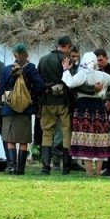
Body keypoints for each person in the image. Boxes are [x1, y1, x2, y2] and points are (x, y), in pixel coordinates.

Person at [0, 43, 45, 175]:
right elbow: (40, 86)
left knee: (10, 139)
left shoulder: (7, 70)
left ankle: (12, 167)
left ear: (14, 55)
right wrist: (30, 96)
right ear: (26, 54)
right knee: (23, 140)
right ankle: (21, 169)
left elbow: (1, 89)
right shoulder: (31, 68)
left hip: (9, 109)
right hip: (26, 109)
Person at [37, 36, 72, 175]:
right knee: (66, 132)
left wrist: (46, 89)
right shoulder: (67, 60)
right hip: (64, 102)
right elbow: (72, 82)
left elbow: (38, 81)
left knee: (47, 133)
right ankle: (66, 168)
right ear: (67, 46)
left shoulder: (43, 60)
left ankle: (45, 167)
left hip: (47, 101)